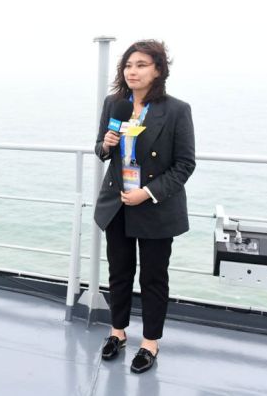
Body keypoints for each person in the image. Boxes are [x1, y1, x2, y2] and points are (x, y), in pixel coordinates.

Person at [93, 40, 195, 374]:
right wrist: (105, 145)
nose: (132, 71)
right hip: (118, 204)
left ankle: (150, 342)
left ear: (158, 70)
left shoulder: (177, 110)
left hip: (154, 206)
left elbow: (184, 164)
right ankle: (117, 332)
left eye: (141, 65)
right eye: (128, 65)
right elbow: (101, 149)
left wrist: (148, 192)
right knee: (119, 272)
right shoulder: (115, 104)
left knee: (153, 277)